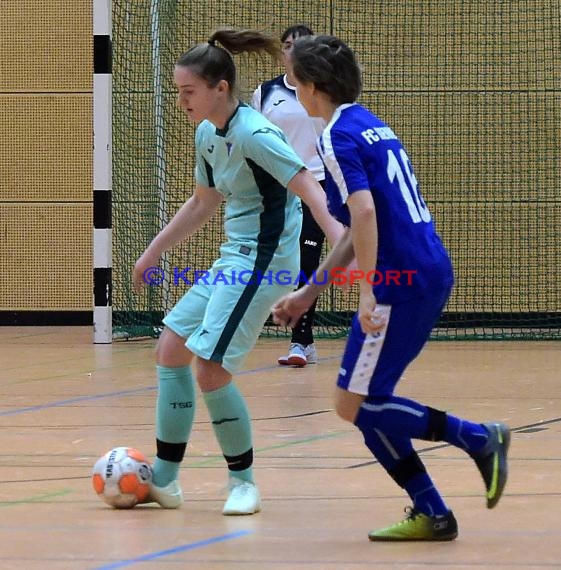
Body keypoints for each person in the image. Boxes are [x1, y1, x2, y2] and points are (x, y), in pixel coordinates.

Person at [272, 35, 511, 540]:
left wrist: (367, 292)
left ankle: (478, 439)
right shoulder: (369, 123)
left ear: (312, 88)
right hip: (426, 271)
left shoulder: (335, 137)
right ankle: (433, 512)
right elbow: (359, 229)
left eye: (295, 82)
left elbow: (363, 212)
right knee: (367, 402)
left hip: (401, 283)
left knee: (354, 405)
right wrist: (308, 294)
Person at [133, 28, 341, 516]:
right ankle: (165, 479)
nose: (181, 101)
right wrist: (153, 251)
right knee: (171, 350)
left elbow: (306, 182)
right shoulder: (208, 133)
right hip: (235, 258)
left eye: (189, 92)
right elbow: (204, 202)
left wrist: (340, 238)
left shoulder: (254, 132)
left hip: (267, 262)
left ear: (219, 88)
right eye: (179, 92)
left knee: (210, 368)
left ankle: (243, 482)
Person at [251, 24, 327, 367]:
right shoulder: (265, 93)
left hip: (320, 184)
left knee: (307, 261)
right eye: (287, 45)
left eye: (301, 45)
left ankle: (302, 341)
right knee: (275, 261)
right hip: (278, 188)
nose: (293, 50)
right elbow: (254, 140)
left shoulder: (326, 90)